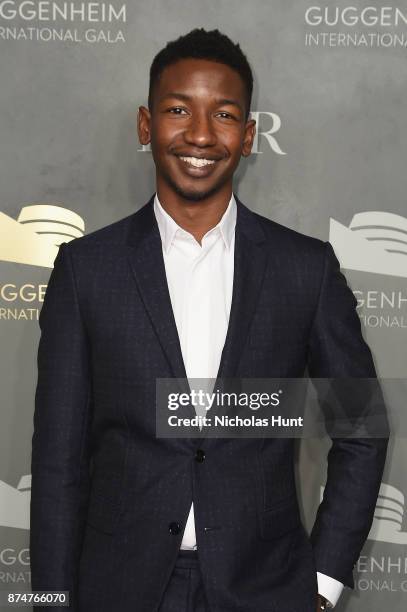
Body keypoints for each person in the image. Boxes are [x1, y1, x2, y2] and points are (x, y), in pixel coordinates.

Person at [30, 28, 389, 612]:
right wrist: (46, 602)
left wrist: (321, 586)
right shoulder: (85, 270)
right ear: (146, 126)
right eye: (178, 110)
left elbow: (362, 427)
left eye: (223, 115)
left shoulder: (307, 269)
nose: (199, 134)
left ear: (248, 137)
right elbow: (56, 462)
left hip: (265, 589)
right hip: (119, 590)